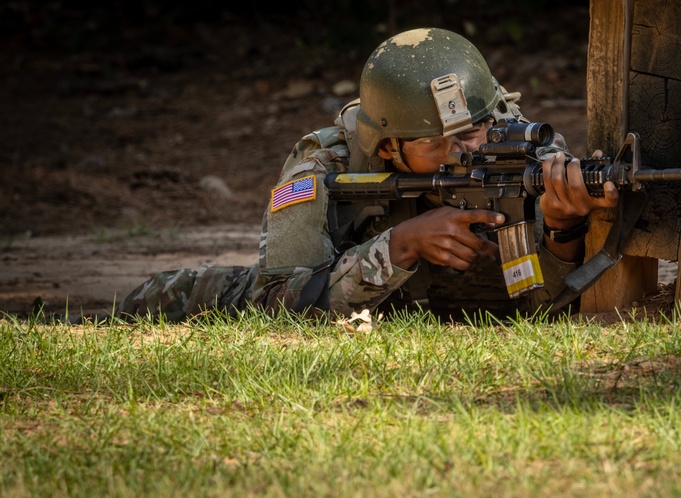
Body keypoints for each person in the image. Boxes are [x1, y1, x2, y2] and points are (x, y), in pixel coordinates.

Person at [117, 27, 618, 322]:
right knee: (186, 297)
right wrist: (399, 246)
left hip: (469, 304)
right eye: (430, 143)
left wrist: (561, 229)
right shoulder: (324, 163)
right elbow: (277, 301)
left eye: (472, 133)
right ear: (386, 144)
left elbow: (544, 301)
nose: (458, 154)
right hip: (345, 299)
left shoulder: (525, 152)